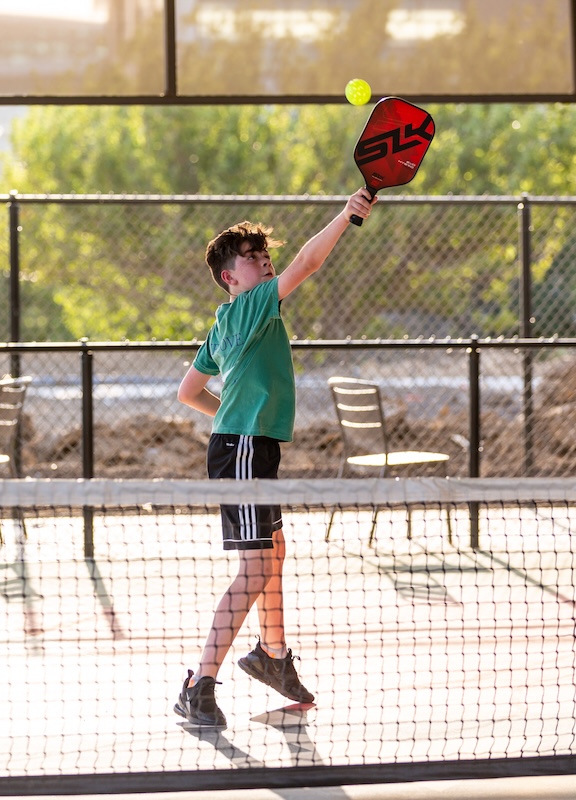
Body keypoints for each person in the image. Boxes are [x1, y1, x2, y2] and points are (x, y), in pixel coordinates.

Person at [173, 188, 376, 726]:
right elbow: (308, 261)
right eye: (251, 257)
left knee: (274, 554)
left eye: (265, 254)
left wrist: (230, 413)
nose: (263, 260)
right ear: (229, 277)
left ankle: (273, 655)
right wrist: (346, 213)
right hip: (242, 448)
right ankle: (199, 683)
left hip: (249, 444)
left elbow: (188, 391)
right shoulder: (254, 303)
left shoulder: (224, 321)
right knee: (256, 565)